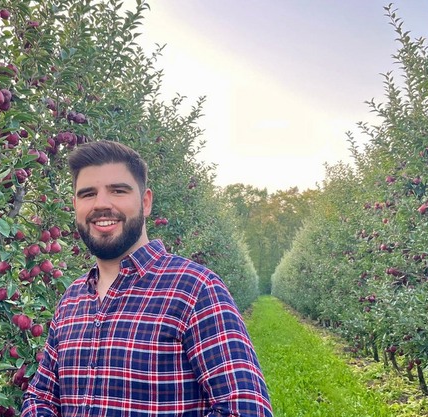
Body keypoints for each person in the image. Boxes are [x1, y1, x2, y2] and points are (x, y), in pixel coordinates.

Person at [21, 140, 273, 417]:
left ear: (145, 202)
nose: (101, 204)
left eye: (118, 191)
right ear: (75, 206)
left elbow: (245, 409)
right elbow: (41, 398)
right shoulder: (72, 298)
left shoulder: (195, 289)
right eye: (88, 194)